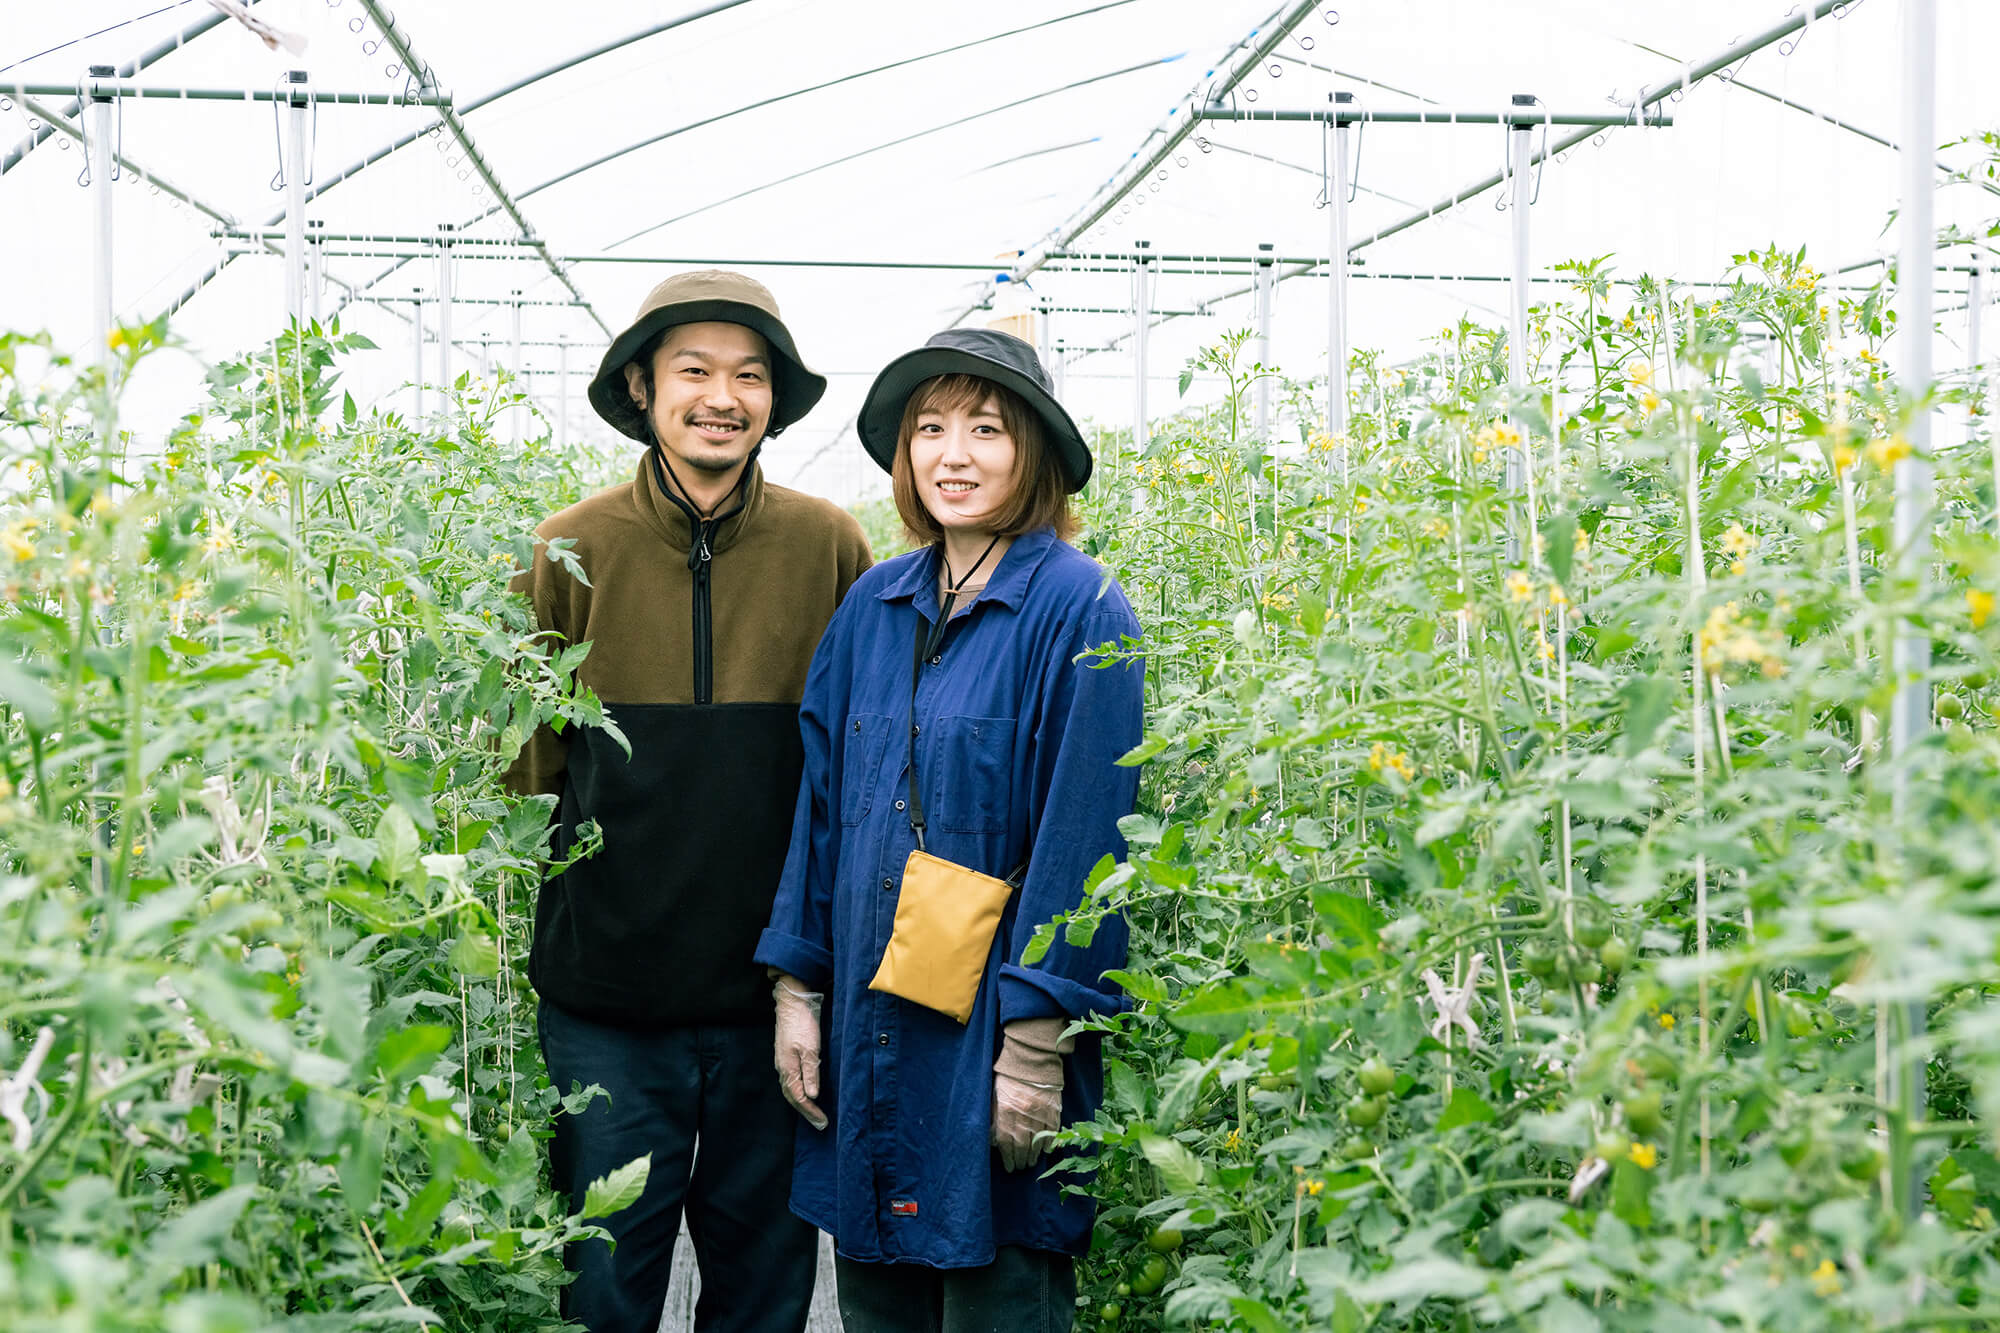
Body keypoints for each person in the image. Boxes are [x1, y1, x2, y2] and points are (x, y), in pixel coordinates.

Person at [503, 269, 873, 1333]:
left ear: (772, 400)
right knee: (603, 1282)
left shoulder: (826, 544)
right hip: (606, 1002)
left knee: (764, 1287)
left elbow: (850, 760)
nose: (722, 396)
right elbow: (527, 770)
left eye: (748, 376)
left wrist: (815, 965)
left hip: (776, 1002)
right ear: (642, 387)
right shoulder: (572, 546)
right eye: (694, 371)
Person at [755, 327, 1144, 1332]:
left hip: (988, 1030)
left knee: (997, 1280)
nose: (952, 454)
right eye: (930, 429)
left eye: (985, 428)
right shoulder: (872, 605)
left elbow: (1086, 836)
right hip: (867, 1018)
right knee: (877, 1277)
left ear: (1036, 454)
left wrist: (1034, 1046)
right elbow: (822, 811)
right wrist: (797, 990)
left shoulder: (1079, 607)